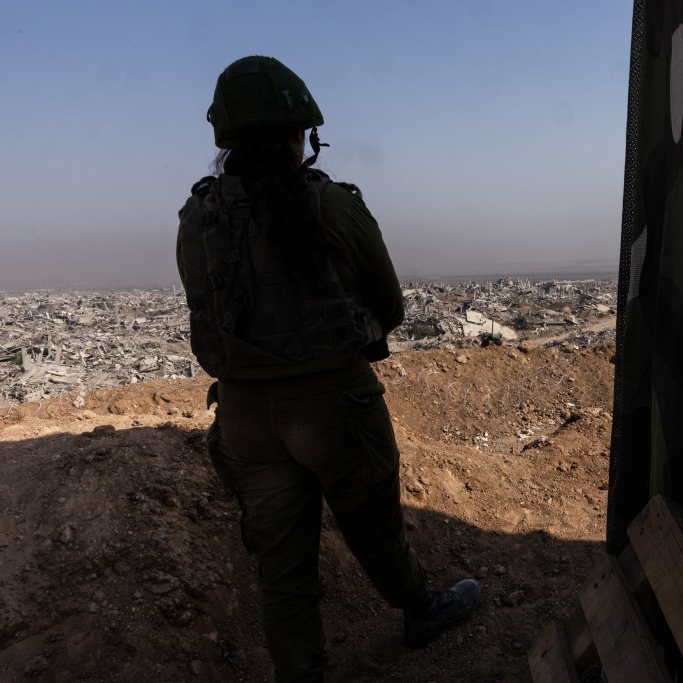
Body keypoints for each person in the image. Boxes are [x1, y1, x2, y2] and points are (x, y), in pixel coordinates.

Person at [176, 55, 480, 682]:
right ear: (301, 132)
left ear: (225, 138)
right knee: (375, 529)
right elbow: (389, 305)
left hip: (243, 415)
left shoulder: (198, 215)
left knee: (281, 567)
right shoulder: (328, 204)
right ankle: (421, 609)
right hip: (333, 405)